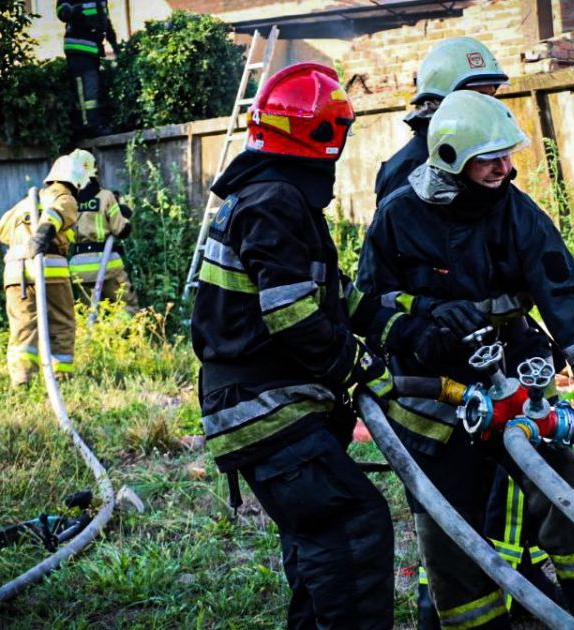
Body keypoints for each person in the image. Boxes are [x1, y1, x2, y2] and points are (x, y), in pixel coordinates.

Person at [357, 90, 574, 628]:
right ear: (449, 158)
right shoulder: (399, 217)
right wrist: (421, 330)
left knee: (569, 491)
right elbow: (366, 305)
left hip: (513, 387)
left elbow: (573, 312)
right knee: (450, 533)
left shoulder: (519, 215)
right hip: (435, 404)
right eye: (490, 158)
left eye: (509, 155)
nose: (506, 168)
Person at [189, 62, 446, 629]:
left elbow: (332, 298)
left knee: (320, 540)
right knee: (350, 526)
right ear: (324, 134)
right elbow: (294, 316)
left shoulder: (273, 196)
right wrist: (357, 366)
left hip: (263, 398)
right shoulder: (274, 200)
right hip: (263, 404)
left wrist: (404, 329)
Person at [374, 37, 558, 629]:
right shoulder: (411, 178)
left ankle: (503, 592)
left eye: (493, 97)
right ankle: (450, 607)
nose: (492, 112)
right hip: (443, 383)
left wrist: (520, 331)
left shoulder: (489, 171)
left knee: (500, 497)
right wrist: (428, 325)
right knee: (454, 511)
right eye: (478, 97)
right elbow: (396, 284)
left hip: (493, 369)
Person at [374, 37, 508, 204]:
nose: (489, 108)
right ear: (439, 103)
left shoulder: (474, 159)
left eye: (491, 98)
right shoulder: (410, 170)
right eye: (477, 98)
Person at [0, 154, 87, 385]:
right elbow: (56, 215)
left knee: (23, 327)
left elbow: (2, 231)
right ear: (77, 182)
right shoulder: (65, 197)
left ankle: (22, 380)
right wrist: (43, 236)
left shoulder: (25, 203)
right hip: (49, 270)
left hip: (15, 274)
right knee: (61, 323)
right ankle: (61, 378)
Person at [66, 149, 138, 311]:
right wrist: (124, 213)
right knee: (127, 306)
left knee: (89, 312)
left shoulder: (67, 201)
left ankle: (94, 336)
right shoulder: (106, 196)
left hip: (79, 269)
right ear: (93, 172)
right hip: (107, 265)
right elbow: (121, 230)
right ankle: (126, 334)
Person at [56, 0, 117, 136]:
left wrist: (114, 43)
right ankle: (88, 126)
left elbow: (104, 20)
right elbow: (62, 11)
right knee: (86, 91)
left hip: (92, 50)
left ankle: (93, 124)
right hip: (78, 48)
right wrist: (72, 11)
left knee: (92, 89)